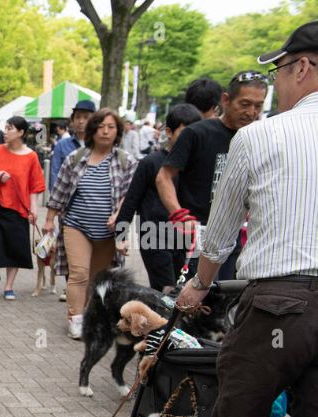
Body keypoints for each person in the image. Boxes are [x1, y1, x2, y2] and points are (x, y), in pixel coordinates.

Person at [174, 21, 318, 417]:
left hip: (278, 301)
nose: (276, 85)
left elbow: (219, 233)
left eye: (279, 72)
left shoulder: (261, 137)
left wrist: (197, 288)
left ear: (302, 68)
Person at [157, 72, 267, 281]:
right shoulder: (197, 133)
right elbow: (164, 177)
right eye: (244, 104)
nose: (251, 112)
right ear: (225, 100)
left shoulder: (262, 139)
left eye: (258, 106)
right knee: (190, 304)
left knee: (224, 303)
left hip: (236, 238)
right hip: (195, 237)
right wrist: (179, 214)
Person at [44, 108, 137, 339]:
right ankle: (75, 319)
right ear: (92, 130)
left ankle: (90, 316)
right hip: (76, 225)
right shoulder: (75, 159)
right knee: (79, 274)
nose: (105, 132)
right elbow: (60, 190)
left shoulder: (126, 161)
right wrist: (48, 220)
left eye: (111, 127)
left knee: (98, 278)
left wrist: (119, 215)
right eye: (101, 127)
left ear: (117, 132)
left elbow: (130, 194)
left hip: (107, 232)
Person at [114, 104, 202, 291]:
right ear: (169, 132)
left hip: (187, 238)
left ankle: (173, 320)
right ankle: (163, 320)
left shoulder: (197, 165)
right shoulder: (151, 163)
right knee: (166, 289)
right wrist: (121, 235)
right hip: (154, 234)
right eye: (185, 133)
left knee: (186, 291)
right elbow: (132, 199)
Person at [0, 116, 45, 301]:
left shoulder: (31, 156)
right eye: (5, 127)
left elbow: (35, 186)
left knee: (14, 249)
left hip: (19, 209)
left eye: (10, 128)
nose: (5, 131)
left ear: (21, 132)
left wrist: (33, 209)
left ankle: (9, 286)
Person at [49, 99, 96, 190]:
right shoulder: (61, 145)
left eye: (86, 118)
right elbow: (55, 173)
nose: (81, 121)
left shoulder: (99, 145)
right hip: (66, 196)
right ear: (73, 120)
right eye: (77, 117)